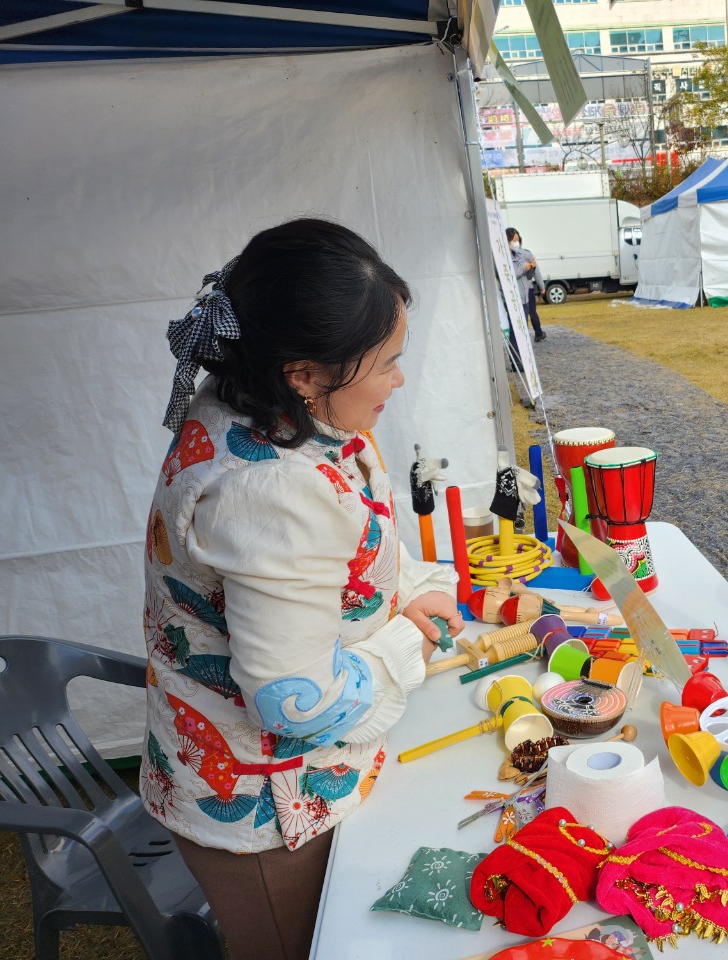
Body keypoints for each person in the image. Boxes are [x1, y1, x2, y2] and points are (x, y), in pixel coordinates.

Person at [142, 218, 464, 960]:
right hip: (265, 806)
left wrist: (410, 585)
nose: (398, 379)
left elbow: (344, 539)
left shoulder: (259, 401)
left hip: (291, 773)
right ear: (304, 374)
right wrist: (407, 643)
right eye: (387, 363)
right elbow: (299, 703)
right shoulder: (272, 490)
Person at [507, 226, 546, 342]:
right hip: (516, 294)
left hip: (526, 291)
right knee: (527, 316)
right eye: (514, 240)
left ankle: (533, 336)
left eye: (517, 240)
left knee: (528, 315)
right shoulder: (506, 257)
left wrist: (532, 268)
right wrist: (541, 286)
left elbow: (532, 274)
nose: (516, 242)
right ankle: (537, 333)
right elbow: (510, 276)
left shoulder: (520, 254)